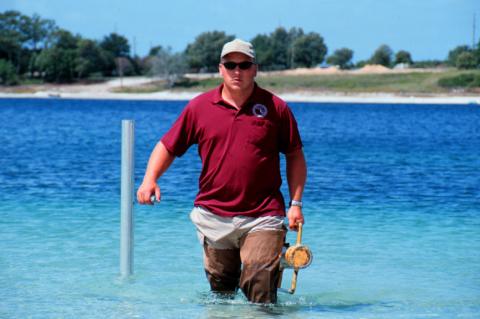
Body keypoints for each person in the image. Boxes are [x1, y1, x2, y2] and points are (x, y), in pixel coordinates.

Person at [137, 39, 307, 304]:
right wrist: (150, 179)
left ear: (255, 69)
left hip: (263, 213)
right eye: (230, 65)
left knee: (259, 283)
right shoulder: (199, 107)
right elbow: (167, 146)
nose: (237, 71)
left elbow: (295, 155)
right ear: (220, 69)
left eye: (244, 65)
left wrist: (296, 203)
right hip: (213, 215)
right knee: (221, 292)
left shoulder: (277, 108)